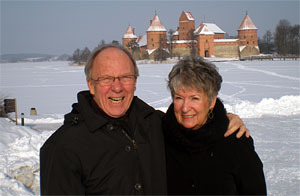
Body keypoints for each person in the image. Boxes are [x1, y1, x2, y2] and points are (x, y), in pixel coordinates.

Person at [40, 44, 249, 195]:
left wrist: (224, 121)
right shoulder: (64, 148)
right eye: (106, 79)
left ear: (135, 81)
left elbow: (194, 123)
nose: (117, 87)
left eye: (125, 77)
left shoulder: (155, 123)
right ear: (91, 85)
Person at [163, 56, 267, 195]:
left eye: (195, 98)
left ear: (211, 101)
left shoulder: (235, 141)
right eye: (179, 98)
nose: (185, 108)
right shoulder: (161, 135)